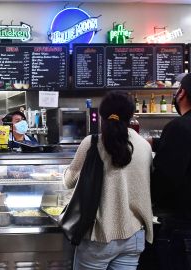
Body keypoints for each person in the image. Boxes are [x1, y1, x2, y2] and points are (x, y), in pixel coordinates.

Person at [63, 91, 153, 270]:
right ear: (131, 114)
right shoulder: (144, 145)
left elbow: (68, 181)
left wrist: (66, 171)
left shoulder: (92, 142)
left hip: (99, 236)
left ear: (102, 115)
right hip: (134, 236)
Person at [150, 73, 191, 270]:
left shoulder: (178, 127)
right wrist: (156, 143)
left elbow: (164, 178)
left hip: (182, 225)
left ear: (181, 93)